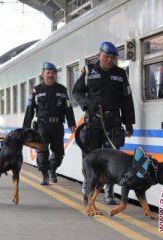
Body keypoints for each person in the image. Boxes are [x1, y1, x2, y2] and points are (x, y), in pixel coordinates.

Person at [72, 42, 135, 205]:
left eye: (113, 58)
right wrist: (87, 102)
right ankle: (87, 189)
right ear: (99, 55)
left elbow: (127, 100)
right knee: (90, 157)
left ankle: (109, 193)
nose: (109, 60)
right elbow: (76, 92)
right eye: (106, 56)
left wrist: (129, 123)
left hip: (112, 122)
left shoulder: (120, 74)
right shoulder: (88, 72)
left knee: (112, 158)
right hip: (93, 123)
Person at [23, 62, 76, 185]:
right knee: (42, 151)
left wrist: (71, 123)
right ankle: (45, 174)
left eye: (53, 73)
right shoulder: (36, 90)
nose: (51, 75)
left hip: (58, 126)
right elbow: (30, 109)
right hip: (42, 126)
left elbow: (68, 108)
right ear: (43, 74)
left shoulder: (62, 90)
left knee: (59, 153)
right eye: (48, 72)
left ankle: (52, 168)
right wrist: (25, 128)